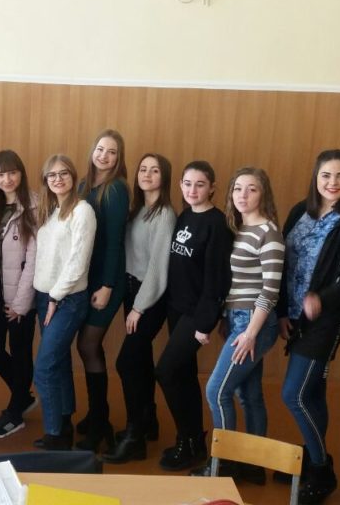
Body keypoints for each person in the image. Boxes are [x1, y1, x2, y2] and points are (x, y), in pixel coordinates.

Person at [277, 149, 340, 503]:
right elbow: (284, 262)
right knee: (312, 392)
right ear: (316, 177)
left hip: (325, 319)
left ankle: (321, 469)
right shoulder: (300, 210)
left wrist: (320, 299)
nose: (333, 183)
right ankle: (312, 455)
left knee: (294, 394)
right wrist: (282, 312)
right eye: (326, 175)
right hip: (294, 315)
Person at [192, 167, 284, 483]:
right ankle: (253, 465)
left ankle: (225, 462)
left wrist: (250, 333)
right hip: (237, 318)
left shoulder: (269, 233)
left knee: (217, 390)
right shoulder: (239, 228)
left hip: (254, 322)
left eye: (252, 189)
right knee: (249, 394)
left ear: (263, 194)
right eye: (238, 188)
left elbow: (269, 290)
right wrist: (227, 317)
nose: (243, 195)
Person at [155, 160, 233, 471]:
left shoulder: (217, 224)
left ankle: (187, 438)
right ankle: (192, 442)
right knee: (184, 375)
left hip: (196, 314)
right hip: (176, 308)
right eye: (187, 184)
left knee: (166, 371)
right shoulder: (185, 215)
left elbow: (217, 280)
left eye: (200, 184)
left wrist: (205, 323)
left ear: (212, 188)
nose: (192, 190)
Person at [102, 153, 175, 464]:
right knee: (141, 359)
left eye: (154, 170)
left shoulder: (165, 214)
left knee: (127, 362)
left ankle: (134, 437)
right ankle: (148, 422)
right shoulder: (137, 209)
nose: (147, 174)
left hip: (151, 298)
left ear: (164, 177)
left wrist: (139, 308)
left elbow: (158, 268)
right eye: (143, 169)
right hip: (132, 291)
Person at [32, 155, 97, 450]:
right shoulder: (50, 211)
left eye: (63, 173)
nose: (57, 179)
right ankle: (64, 423)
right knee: (58, 363)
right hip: (44, 297)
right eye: (52, 175)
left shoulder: (82, 211)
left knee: (44, 367)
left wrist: (56, 297)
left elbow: (77, 263)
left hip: (67, 299)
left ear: (73, 176)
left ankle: (54, 435)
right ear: (45, 180)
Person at [74, 129, 129, 452]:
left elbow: (114, 242)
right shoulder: (84, 185)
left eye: (111, 152)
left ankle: (100, 424)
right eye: (100, 149)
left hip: (107, 280)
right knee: (86, 347)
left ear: (119, 158)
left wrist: (107, 286)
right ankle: (98, 414)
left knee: (88, 344)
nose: (104, 156)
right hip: (86, 277)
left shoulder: (116, 189)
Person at [0, 150, 39, 439]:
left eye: (12, 172)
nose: (7, 179)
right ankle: (23, 395)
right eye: (0, 174)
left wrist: (21, 303)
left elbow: (35, 259)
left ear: (21, 173)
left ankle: (15, 411)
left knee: (20, 350)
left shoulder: (34, 206)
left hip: (20, 294)